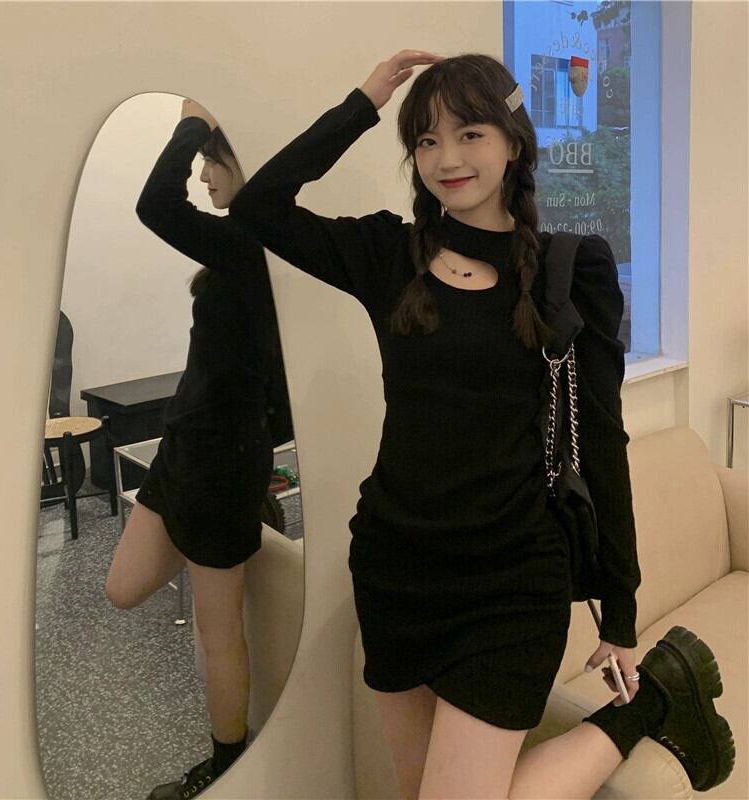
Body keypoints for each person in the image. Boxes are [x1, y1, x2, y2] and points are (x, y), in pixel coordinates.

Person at [229, 51, 735, 799]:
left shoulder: (571, 270)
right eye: (426, 140)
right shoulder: (388, 254)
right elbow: (257, 207)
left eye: (470, 133)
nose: (447, 159)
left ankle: (649, 705)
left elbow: (601, 439)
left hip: (511, 582)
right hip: (396, 569)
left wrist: (621, 613)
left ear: (513, 141)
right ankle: (656, 704)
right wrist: (364, 102)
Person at [104, 98, 293, 800]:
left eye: (214, 162)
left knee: (218, 634)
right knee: (122, 588)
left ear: (246, 165)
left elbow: (155, 203)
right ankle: (247, 530)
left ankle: (224, 765)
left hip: (219, 468)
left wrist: (191, 121)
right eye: (205, 161)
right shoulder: (235, 245)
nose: (206, 176)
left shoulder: (253, 244)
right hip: (183, 450)